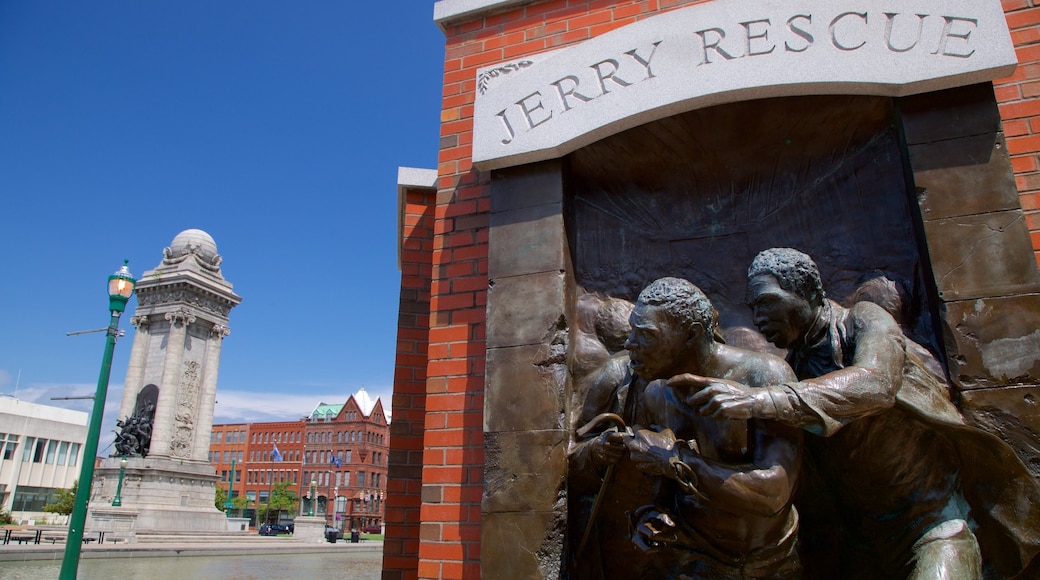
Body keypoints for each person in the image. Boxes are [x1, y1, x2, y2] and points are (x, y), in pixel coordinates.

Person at [687, 247, 1040, 579]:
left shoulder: (863, 321)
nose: (759, 318)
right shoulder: (792, 368)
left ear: (808, 291)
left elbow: (876, 383)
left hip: (932, 524)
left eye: (767, 302)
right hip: (861, 545)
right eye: (753, 308)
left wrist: (763, 399)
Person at [620, 277, 804, 578]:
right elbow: (663, 491)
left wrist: (678, 461)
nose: (629, 344)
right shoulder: (655, 393)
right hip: (696, 559)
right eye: (632, 331)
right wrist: (651, 517)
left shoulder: (763, 376)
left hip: (770, 562)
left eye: (646, 335)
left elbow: (775, 491)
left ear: (691, 335)